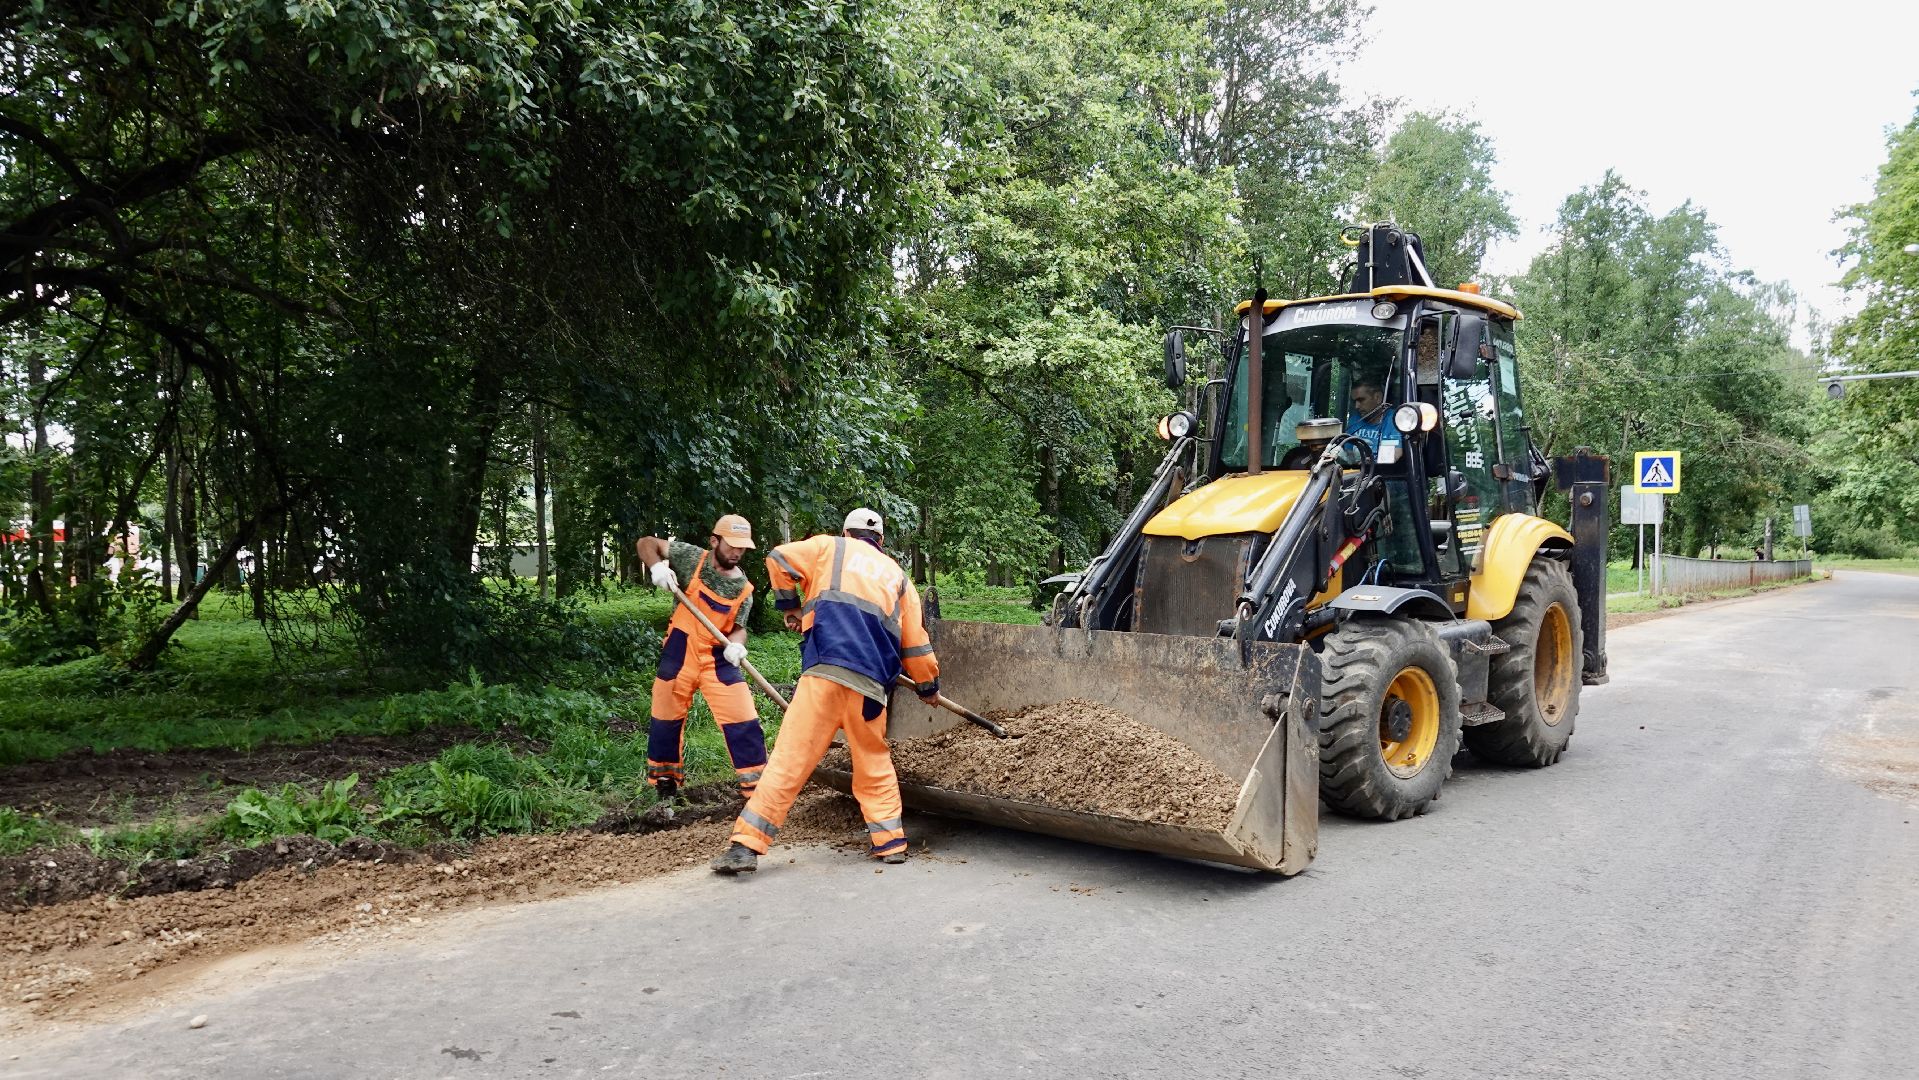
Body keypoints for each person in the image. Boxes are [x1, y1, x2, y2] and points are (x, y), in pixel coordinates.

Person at [711, 508, 940, 875]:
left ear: (846, 533)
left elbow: (778, 558)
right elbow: (916, 646)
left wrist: (790, 607)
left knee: (790, 759)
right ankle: (891, 843)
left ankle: (746, 846)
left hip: (823, 675)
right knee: (873, 760)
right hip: (869, 688)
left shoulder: (827, 548)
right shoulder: (899, 578)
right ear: (880, 541)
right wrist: (928, 686)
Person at [634, 515, 769, 804]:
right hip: (679, 653)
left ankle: (758, 794)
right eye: (732, 546)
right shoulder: (691, 558)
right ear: (714, 541)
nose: (737, 553)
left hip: (718, 660)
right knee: (665, 719)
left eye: (742, 549)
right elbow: (646, 543)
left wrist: (737, 646)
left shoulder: (744, 589)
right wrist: (656, 566)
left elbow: (739, 629)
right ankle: (665, 787)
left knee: (743, 720)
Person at [1345, 375, 1392, 449]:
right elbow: (1348, 452)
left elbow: (1395, 454)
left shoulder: (1394, 419)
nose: (1356, 406)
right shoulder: (1354, 421)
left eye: (1361, 400)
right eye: (1355, 401)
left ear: (1378, 397)